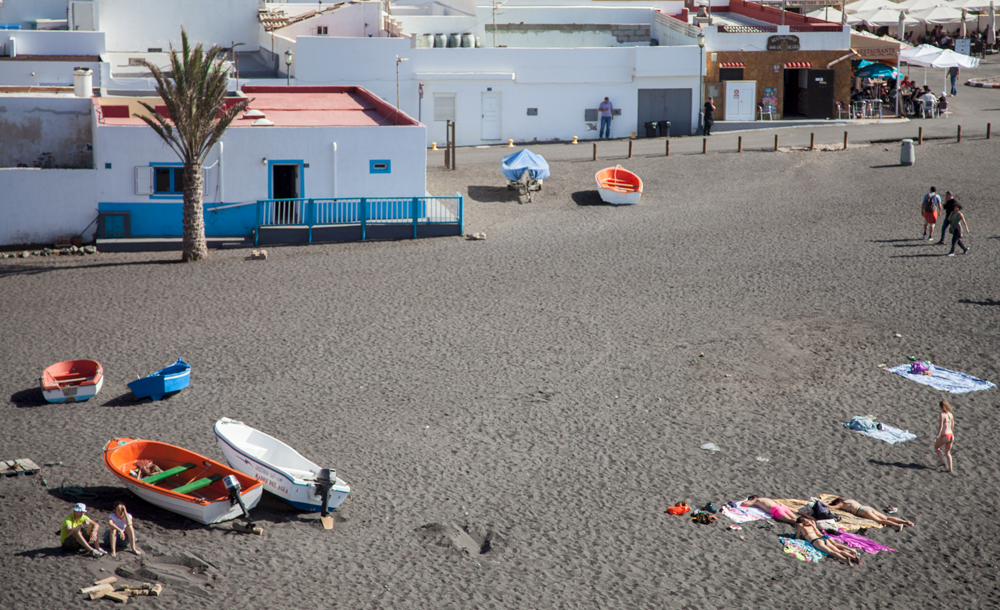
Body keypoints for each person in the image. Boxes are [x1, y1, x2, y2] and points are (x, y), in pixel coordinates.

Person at [795, 516, 860, 565]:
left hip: (816, 541)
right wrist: (812, 524)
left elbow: (797, 537)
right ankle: (853, 558)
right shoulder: (812, 526)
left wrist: (800, 533)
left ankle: (845, 560)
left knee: (831, 552)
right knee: (837, 550)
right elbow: (819, 534)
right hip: (823, 539)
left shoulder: (801, 526)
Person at [827, 497, 914, 531]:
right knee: (886, 517)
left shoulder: (841, 505)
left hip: (862, 511)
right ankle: (906, 522)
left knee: (880, 521)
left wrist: (825, 503)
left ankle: (898, 525)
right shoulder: (848, 500)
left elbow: (832, 507)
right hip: (867, 507)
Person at [934, 399, 956, 473]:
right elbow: (952, 425)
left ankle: (942, 461)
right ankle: (950, 469)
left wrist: (937, 436)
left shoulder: (942, 415)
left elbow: (940, 427)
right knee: (948, 453)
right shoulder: (950, 414)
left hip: (945, 435)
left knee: (936, 447)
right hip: (951, 435)